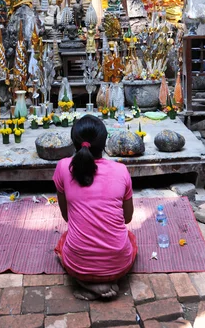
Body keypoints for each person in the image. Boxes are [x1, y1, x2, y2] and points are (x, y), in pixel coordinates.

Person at [53, 115, 137, 300]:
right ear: (105, 143)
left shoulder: (63, 167)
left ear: (75, 143)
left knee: (63, 243)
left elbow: (67, 217)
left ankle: (86, 283)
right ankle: (105, 282)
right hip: (118, 267)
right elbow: (127, 219)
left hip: (79, 267)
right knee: (130, 238)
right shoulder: (121, 170)